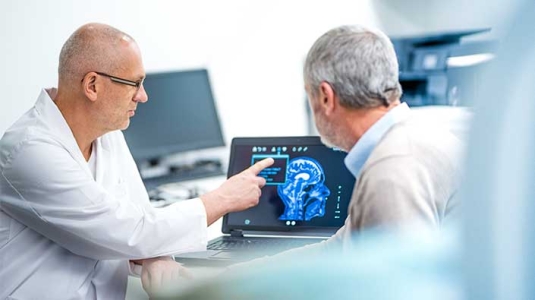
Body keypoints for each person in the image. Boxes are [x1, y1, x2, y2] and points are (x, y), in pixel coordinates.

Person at [0, 23, 273, 299]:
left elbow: (139, 217)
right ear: (92, 85)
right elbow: (129, 230)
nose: (143, 96)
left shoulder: (108, 134)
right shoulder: (29, 151)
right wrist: (224, 199)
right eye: (135, 83)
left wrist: (156, 257)